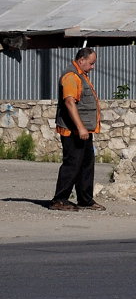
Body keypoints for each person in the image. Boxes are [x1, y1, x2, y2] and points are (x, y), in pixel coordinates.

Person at [49, 47, 105, 212]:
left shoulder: (81, 75)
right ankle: (59, 200)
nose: (93, 67)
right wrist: (80, 128)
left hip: (84, 131)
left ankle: (85, 199)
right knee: (72, 164)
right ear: (81, 60)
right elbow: (69, 102)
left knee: (86, 164)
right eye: (91, 63)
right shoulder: (71, 77)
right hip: (73, 131)